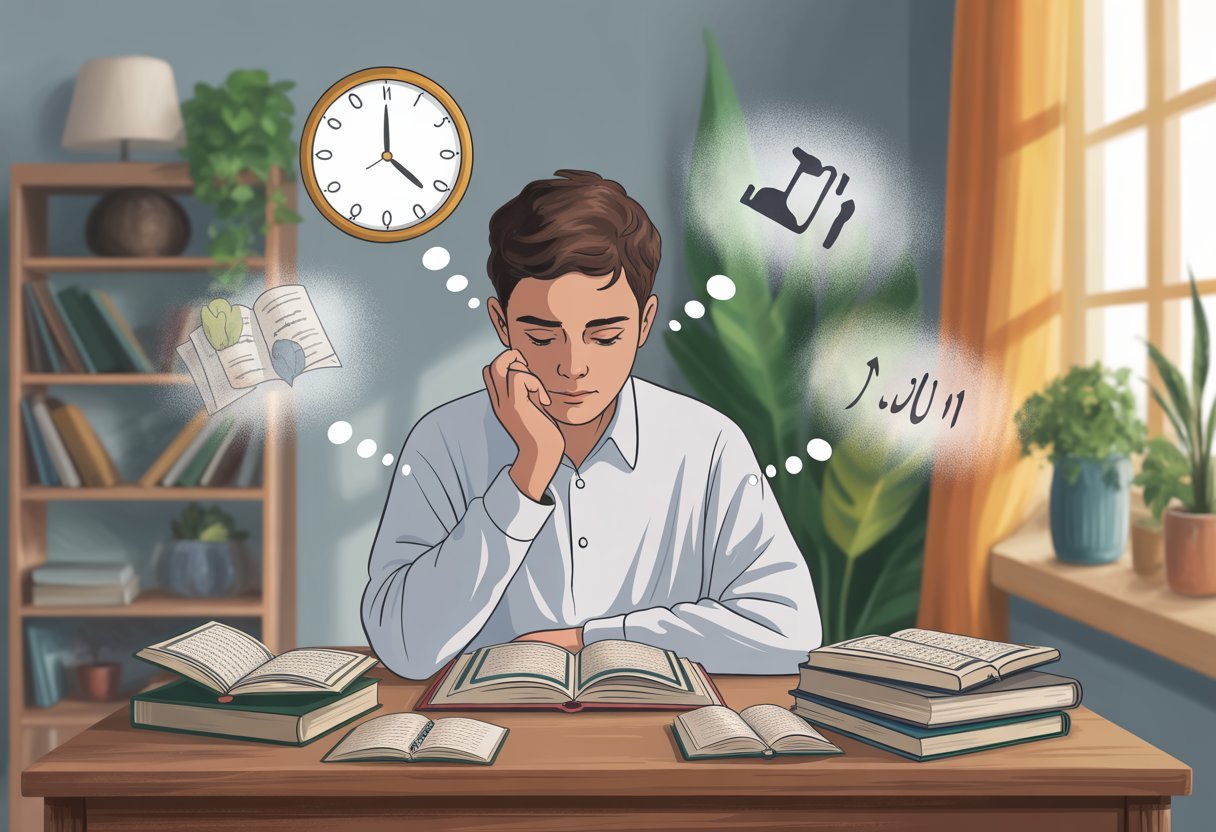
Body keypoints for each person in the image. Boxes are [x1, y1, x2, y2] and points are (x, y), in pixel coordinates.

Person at [361, 169, 821, 679]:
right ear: (501, 324)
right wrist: (527, 475)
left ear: (645, 323)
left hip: (663, 741)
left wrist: (593, 639)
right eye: (541, 336)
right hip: (485, 740)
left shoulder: (707, 443)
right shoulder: (442, 441)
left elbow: (790, 630)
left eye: (603, 335)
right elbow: (405, 648)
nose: (572, 365)